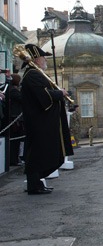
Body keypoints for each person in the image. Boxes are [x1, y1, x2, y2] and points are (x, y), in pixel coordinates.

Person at [21, 44, 72, 195]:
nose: (45, 61)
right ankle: (34, 185)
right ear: (36, 59)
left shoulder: (35, 73)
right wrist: (59, 93)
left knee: (39, 153)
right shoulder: (33, 75)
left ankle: (36, 183)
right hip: (39, 122)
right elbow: (44, 97)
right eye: (43, 58)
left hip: (40, 121)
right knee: (38, 153)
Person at [7, 74, 25, 166]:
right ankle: (13, 160)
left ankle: (16, 158)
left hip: (17, 118)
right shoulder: (13, 91)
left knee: (18, 141)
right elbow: (22, 98)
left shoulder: (12, 90)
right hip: (15, 119)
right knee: (15, 141)